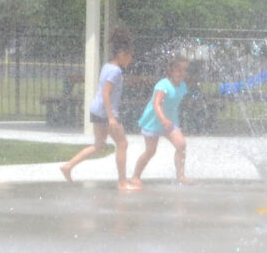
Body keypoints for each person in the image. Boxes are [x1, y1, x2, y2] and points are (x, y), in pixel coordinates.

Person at [60, 32, 134, 187]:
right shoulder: (116, 71)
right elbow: (106, 93)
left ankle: (68, 166)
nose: (131, 59)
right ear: (121, 54)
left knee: (99, 146)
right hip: (106, 113)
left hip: (96, 109)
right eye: (129, 56)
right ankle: (122, 182)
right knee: (122, 144)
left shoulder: (107, 66)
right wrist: (111, 117)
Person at [130, 54, 192, 189]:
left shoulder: (183, 86)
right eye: (179, 69)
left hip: (170, 121)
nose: (182, 73)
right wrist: (163, 119)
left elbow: (175, 102)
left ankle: (180, 176)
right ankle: (135, 176)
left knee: (181, 145)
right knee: (150, 151)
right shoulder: (163, 85)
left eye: (185, 70)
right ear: (171, 69)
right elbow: (156, 104)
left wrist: (169, 120)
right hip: (154, 121)